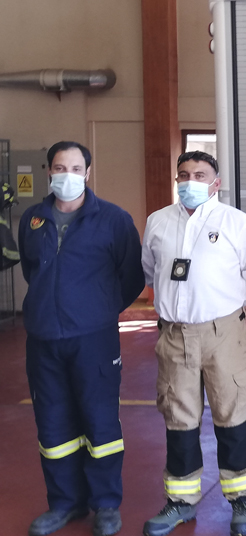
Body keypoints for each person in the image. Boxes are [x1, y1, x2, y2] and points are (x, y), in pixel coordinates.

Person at [140, 151, 246, 536]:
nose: (190, 181)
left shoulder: (237, 223)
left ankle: (243, 499)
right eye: (184, 175)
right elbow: (151, 271)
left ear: (216, 182)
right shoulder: (158, 222)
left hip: (223, 333)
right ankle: (181, 501)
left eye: (200, 174)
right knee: (178, 418)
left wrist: (222, 305)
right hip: (174, 334)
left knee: (232, 413)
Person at [18, 141, 144, 536]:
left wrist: (99, 311)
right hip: (43, 340)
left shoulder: (113, 220)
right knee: (53, 425)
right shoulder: (32, 220)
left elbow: (131, 278)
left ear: (87, 173)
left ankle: (106, 504)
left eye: (75, 168)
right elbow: (31, 270)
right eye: (59, 167)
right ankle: (64, 503)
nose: (66, 175)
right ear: (48, 171)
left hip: (94, 339)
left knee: (100, 421)